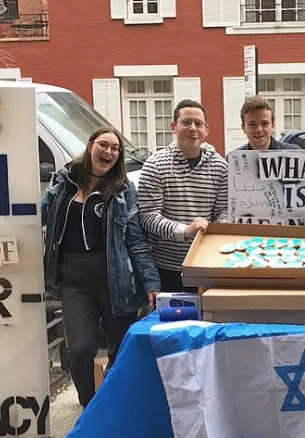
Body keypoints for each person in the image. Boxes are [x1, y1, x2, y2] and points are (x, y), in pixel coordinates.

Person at [41, 127, 161, 407]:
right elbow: (41, 213)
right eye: (103, 145)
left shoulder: (122, 190)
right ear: (90, 145)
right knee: (80, 349)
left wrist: (151, 282)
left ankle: (109, 399)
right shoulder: (64, 181)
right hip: (73, 279)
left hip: (115, 279)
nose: (109, 152)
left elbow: (136, 239)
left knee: (122, 348)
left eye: (115, 149)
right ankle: (88, 401)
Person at [137, 99, 229, 292]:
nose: (193, 128)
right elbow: (147, 216)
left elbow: (223, 210)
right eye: (186, 122)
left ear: (207, 129)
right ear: (174, 126)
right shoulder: (154, 165)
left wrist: (218, 226)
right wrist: (185, 230)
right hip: (166, 267)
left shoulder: (221, 167)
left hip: (205, 264)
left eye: (198, 123)